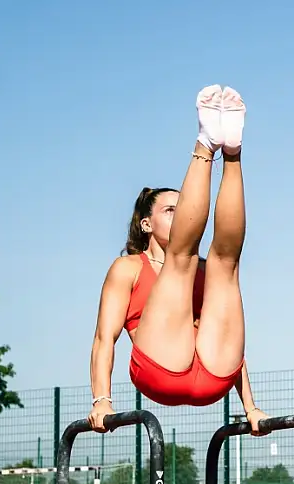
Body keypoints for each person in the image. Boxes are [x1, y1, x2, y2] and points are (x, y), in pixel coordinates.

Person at [87, 85, 269, 434]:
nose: (182, 213)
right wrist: (101, 400)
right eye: (172, 210)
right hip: (161, 369)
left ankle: (231, 150)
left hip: (214, 374)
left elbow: (227, 338)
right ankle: (207, 142)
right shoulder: (128, 269)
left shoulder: (203, 273)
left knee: (225, 264)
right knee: (181, 259)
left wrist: (251, 408)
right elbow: (103, 338)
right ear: (146, 223)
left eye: (183, 207)